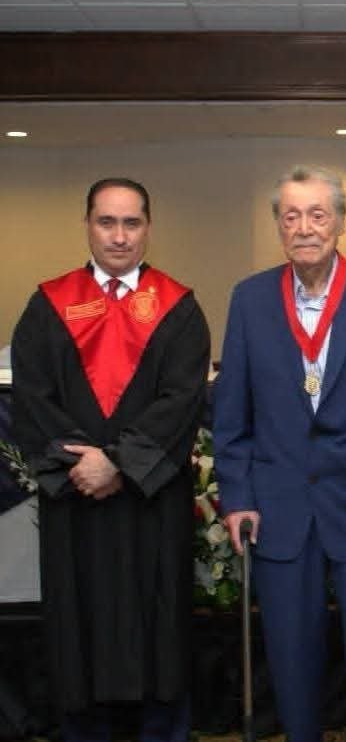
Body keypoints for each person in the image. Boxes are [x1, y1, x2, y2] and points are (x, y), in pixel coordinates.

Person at [213, 166, 346, 742]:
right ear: (278, 226)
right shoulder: (250, 299)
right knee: (291, 658)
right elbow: (231, 415)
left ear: (340, 221)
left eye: (317, 214)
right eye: (291, 216)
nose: (305, 227)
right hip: (280, 511)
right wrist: (237, 497)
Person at [11, 178, 210, 742]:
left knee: (157, 631)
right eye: (107, 222)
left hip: (151, 501)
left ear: (148, 227)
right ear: (87, 225)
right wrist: (83, 464)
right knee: (81, 629)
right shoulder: (48, 303)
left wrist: (119, 462)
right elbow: (32, 395)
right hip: (77, 501)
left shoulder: (179, 308)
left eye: (131, 223)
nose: (119, 236)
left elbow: (182, 399)